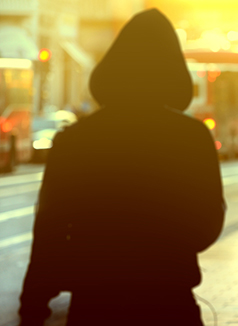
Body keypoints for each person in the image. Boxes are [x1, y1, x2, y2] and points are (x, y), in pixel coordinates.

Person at [18, 9, 225, 326]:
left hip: (96, 304)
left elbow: (50, 228)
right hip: (169, 302)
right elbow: (207, 224)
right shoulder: (192, 138)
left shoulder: (74, 140)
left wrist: (33, 303)